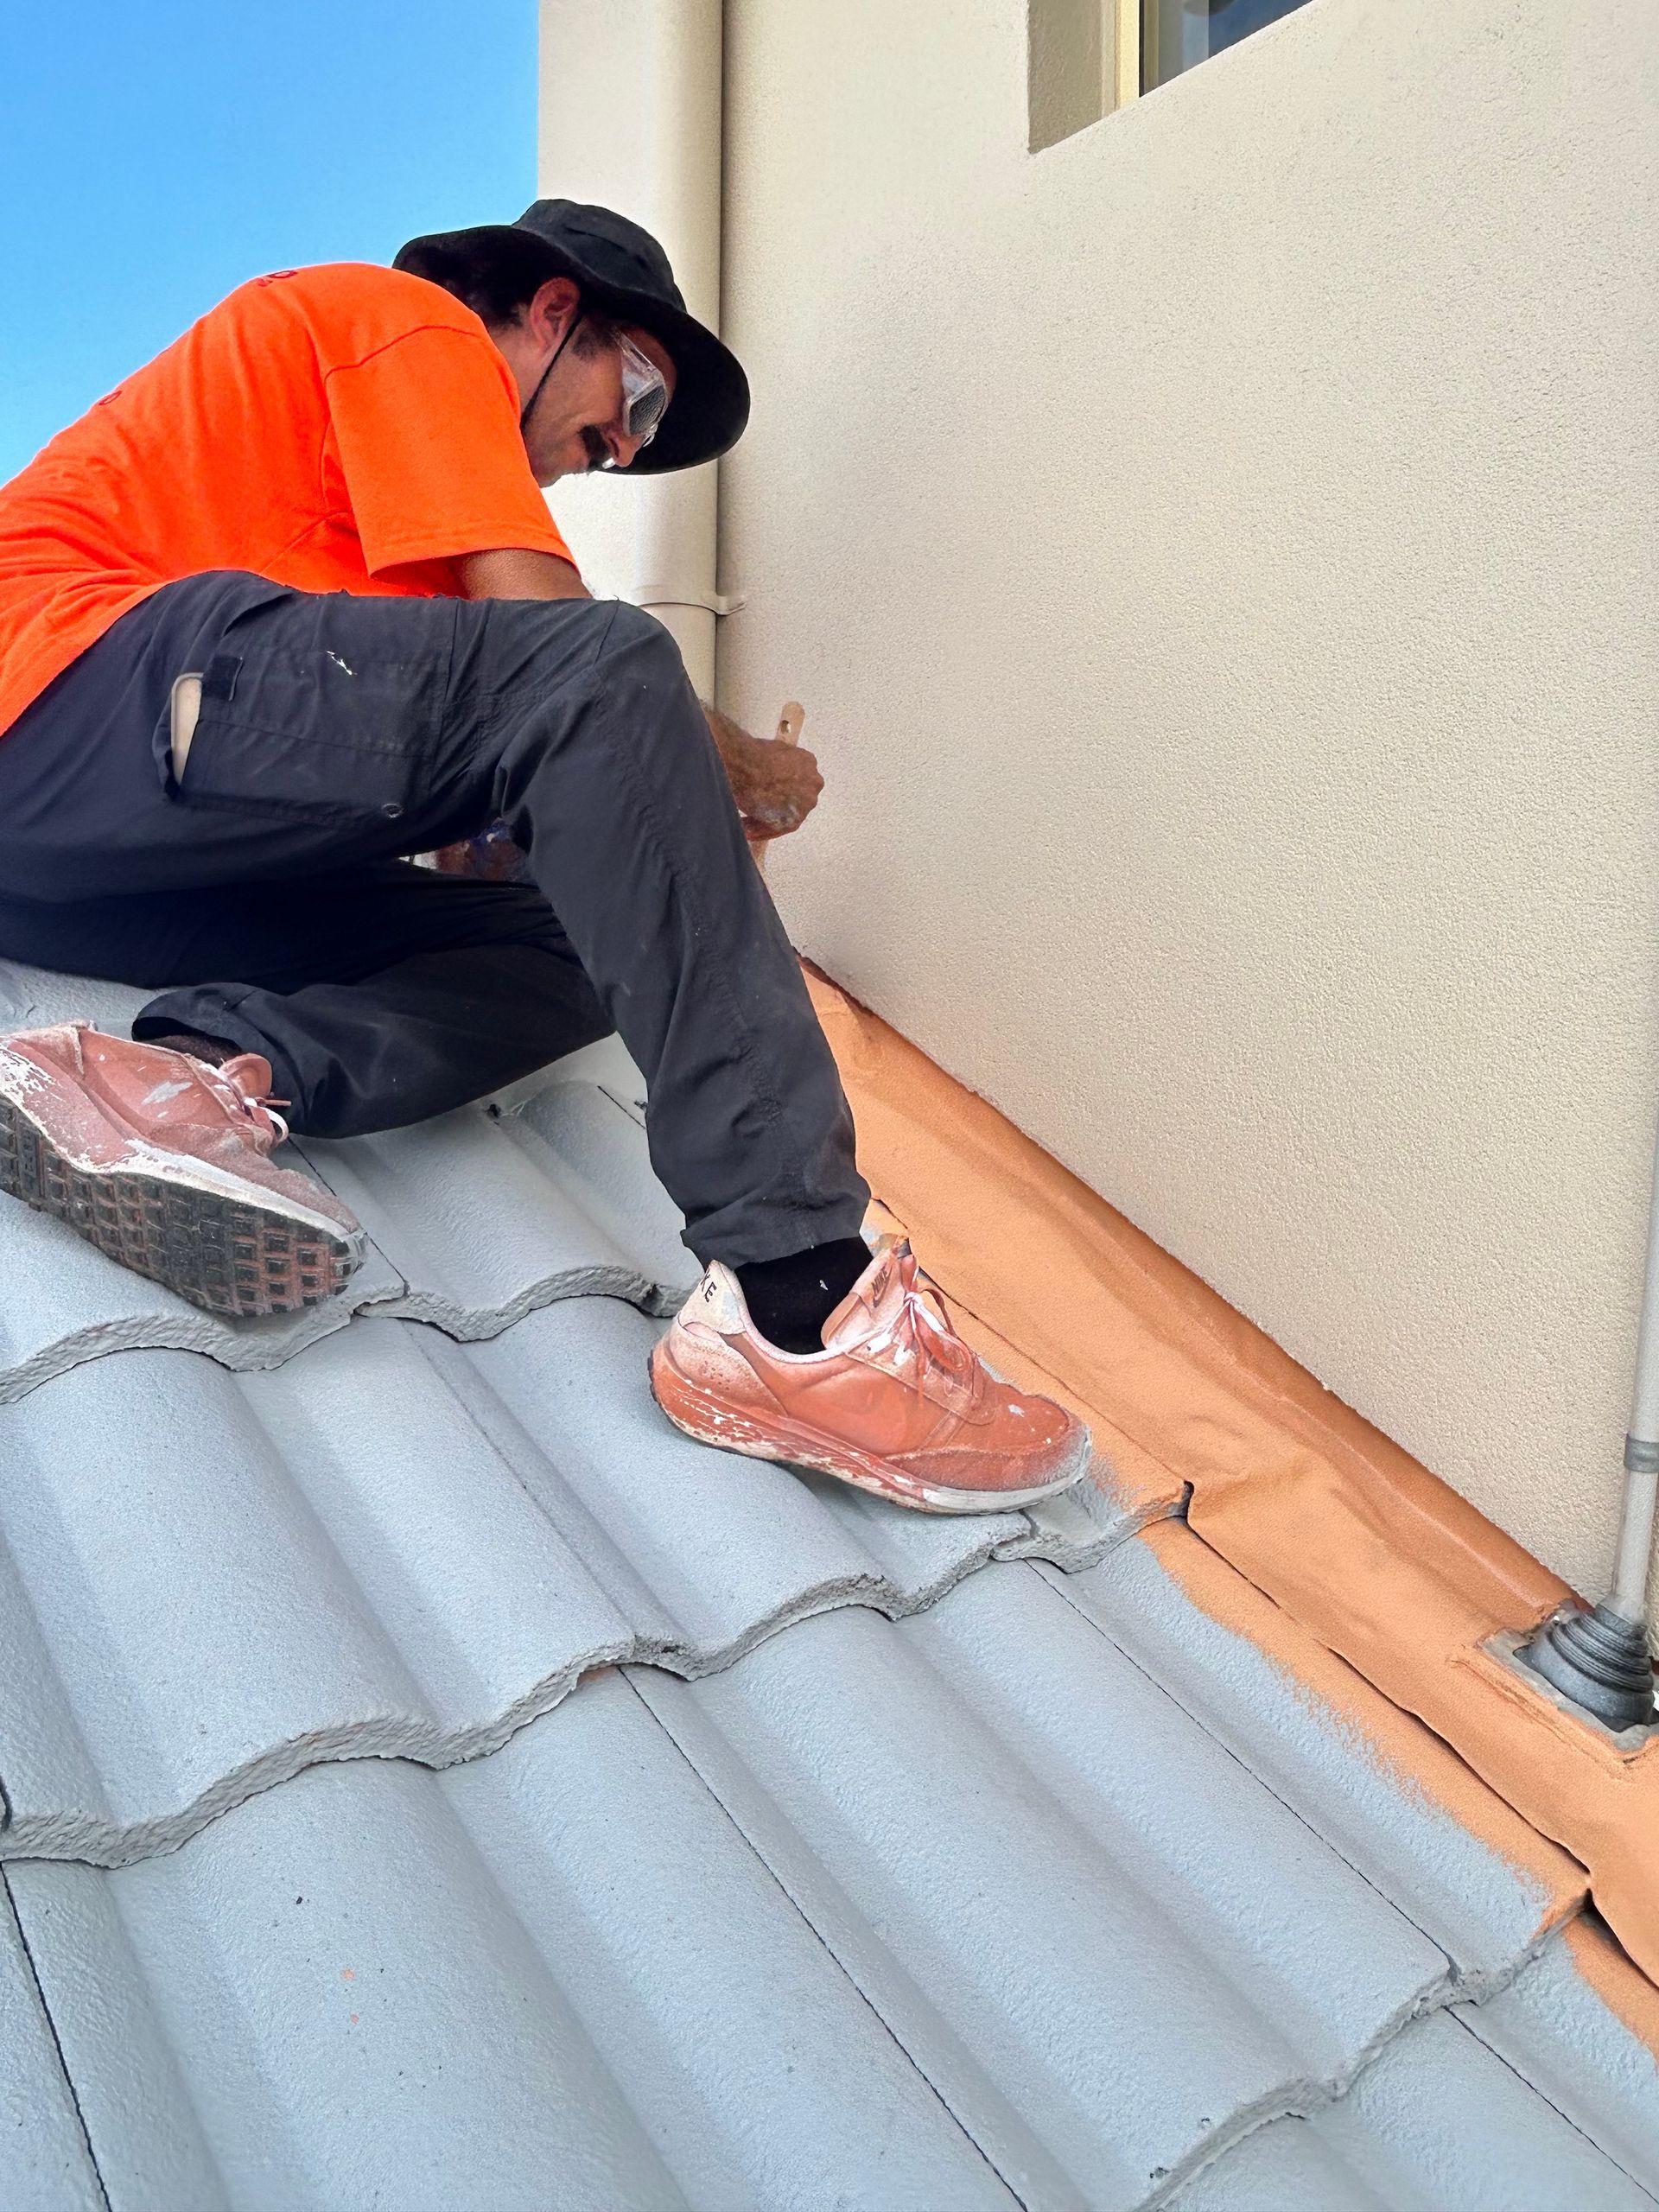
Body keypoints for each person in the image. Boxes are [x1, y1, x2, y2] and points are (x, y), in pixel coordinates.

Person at [0, 199, 1087, 1514]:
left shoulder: (391, 598)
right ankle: (801, 1306)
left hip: (104, 859)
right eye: (631, 389)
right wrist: (737, 766)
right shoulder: (401, 322)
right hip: (60, 695)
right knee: (617, 663)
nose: (618, 444)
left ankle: (178, 1086)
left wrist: (654, 847)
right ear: (554, 312)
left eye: (638, 437)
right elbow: (566, 651)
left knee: (565, 932)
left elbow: (491, 814)